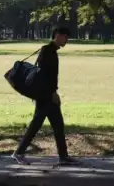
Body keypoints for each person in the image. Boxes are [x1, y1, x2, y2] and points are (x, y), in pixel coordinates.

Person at [12, 26, 77, 165]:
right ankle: (19, 152)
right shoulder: (48, 51)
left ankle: (63, 156)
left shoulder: (51, 50)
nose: (67, 40)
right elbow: (44, 76)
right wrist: (53, 93)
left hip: (48, 94)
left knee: (58, 124)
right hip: (45, 95)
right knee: (36, 124)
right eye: (65, 37)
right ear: (58, 35)